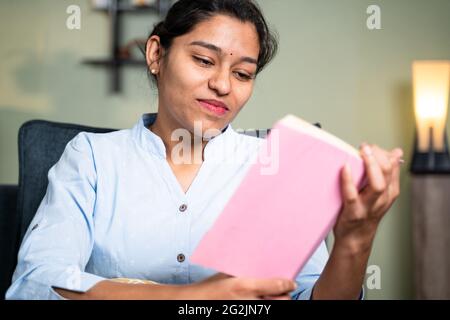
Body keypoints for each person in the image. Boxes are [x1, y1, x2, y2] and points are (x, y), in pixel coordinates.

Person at [6, 0, 403, 300]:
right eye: (203, 60)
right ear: (156, 54)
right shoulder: (92, 157)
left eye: (243, 73)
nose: (223, 85)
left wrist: (356, 238)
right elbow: (36, 282)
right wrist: (189, 299)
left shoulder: (273, 165)